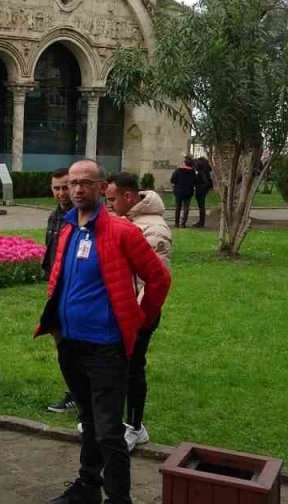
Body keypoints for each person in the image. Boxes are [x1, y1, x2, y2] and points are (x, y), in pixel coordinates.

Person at [37, 160, 171, 504]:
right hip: (70, 342)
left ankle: (118, 497)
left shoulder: (122, 231)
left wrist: (140, 318)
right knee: (88, 420)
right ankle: (87, 487)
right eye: (72, 183)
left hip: (106, 347)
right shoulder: (68, 227)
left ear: (101, 189)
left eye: (86, 183)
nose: (77, 189)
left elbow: (159, 278)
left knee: (109, 430)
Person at [104, 172, 173, 452]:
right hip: (119, 310)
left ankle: (134, 426)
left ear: (128, 197)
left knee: (132, 368)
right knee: (116, 367)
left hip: (140, 314)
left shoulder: (154, 229)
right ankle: (116, 422)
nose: (108, 205)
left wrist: (140, 319)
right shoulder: (125, 221)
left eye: (112, 199)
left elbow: (156, 278)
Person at [42, 167, 77, 415]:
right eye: (57, 188)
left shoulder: (80, 217)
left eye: (66, 187)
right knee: (61, 340)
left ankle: (77, 393)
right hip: (56, 289)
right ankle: (74, 389)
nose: (61, 193)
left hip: (75, 289)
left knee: (76, 342)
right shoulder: (55, 217)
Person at [170, 157, 198, 229]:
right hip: (188, 192)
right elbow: (195, 181)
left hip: (178, 191)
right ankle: (183, 224)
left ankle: (176, 223)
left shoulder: (178, 171)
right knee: (186, 207)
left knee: (178, 207)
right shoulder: (193, 172)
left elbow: (172, 180)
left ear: (185, 163)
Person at [193, 157, 214, 228]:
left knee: (201, 207)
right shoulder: (205, 171)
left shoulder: (202, 172)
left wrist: (200, 188)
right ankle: (201, 221)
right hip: (202, 190)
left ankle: (201, 222)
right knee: (201, 207)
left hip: (201, 191)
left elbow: (206, 183)